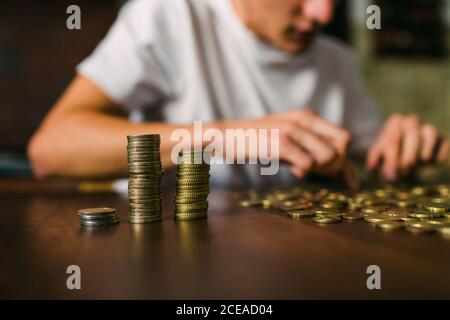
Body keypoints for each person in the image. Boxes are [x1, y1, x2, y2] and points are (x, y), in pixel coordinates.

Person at [28, 0, 449, 188]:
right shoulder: (170, 14)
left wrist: (406, 149)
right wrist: (226, 136)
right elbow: (51, 150)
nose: (322, 13)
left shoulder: (335, 59)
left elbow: (375, 165)